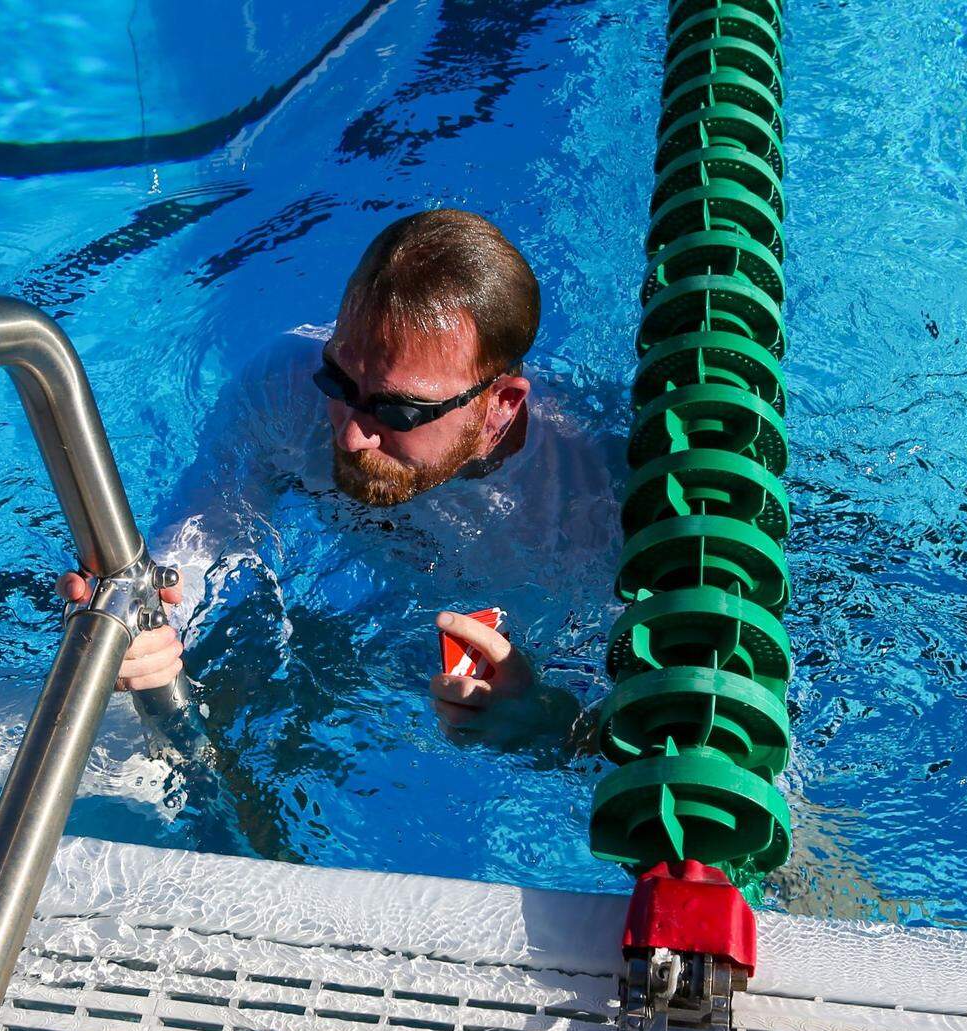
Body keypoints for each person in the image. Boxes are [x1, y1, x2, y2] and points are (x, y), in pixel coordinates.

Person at [59, 209, 613, 729]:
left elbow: (625, 725)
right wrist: (137, 633)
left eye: (400, 411)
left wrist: (537, 719)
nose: (350, 434)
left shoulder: (592, 516)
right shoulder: (283, 387)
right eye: (338, 382)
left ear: (503, 406)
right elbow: (194, 545)